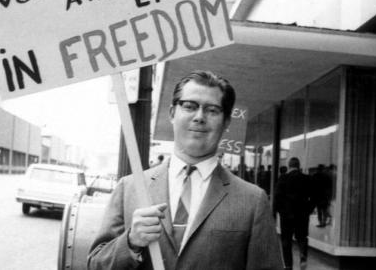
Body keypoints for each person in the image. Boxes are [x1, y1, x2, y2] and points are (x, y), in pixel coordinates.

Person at [88, 70, 283, 270]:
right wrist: (131, 241)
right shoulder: (129, 187)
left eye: (212, 110)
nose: (199, 117)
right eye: (189, 106)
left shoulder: (252, 200)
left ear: (226, 122)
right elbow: (96, 264)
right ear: (173, 113)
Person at [274, 157, 314, 270]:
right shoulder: (307, 179)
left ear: (289, 166)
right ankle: (303, 256)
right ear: (299, 165)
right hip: (302, 215)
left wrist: (280, 211)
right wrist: (309, 209)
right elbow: (315, 196)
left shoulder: (283, 178)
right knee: (302, 237)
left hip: (287, 216)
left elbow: (277, 197)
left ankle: (288, 265)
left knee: (286, 241)